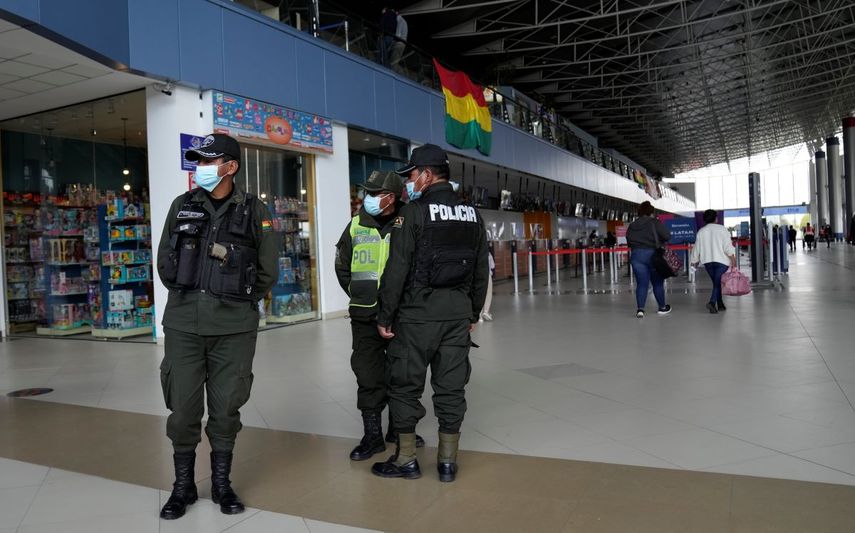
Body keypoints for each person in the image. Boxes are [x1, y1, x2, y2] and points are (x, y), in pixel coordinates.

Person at [155, 133, 278, 520]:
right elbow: (164, 261)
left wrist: (236, 301)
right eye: (198, 162)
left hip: (233, 328)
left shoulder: (256, 211)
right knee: (183, 409)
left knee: (226, 409)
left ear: (230, 167)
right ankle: (183, 487)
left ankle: (222, 484)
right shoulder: (182, 206)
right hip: (184, 325)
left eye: (208, 162)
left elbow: (267, 271)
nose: (200, 168)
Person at [371, 144, 489, 483]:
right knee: (451, 388)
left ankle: (406, 459)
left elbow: (397, 270)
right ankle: (448, 462)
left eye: (411, 175)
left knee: (405, 387)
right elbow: (481, 270)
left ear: (426, 174)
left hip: (416, 317)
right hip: (456, 317)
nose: (409, 182)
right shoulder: (472, 214)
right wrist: (472, 313)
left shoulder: (413, 213)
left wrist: (385, 317)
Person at [334, 170, 424, 461]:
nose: (369, 198)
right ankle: (372, 435)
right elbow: (342, 266)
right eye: (368, 192)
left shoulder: (409, 220)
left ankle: (398, 430)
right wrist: (358, 293)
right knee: (368, 374)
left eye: (376, 193)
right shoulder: (356, 224)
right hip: (365, 314)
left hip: (402, 315)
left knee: (403, 374)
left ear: (393, 196)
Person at [625, 201, 671, 318]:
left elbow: (629, 241)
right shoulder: (655, 222)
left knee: (641, 284)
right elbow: (667, 236)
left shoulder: (632, 225)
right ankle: (662, 307)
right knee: (657, 283)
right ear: (651, 212)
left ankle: (640, 309)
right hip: (653, 255)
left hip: (636, 256)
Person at [690, 209, 737, 314]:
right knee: (717, 283)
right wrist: (733, 258)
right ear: (716, 218)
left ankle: (720, 304)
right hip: (721, 262)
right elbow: (727, 247)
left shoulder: (701, 231)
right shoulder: (722, 229)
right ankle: (712, 302)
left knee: (716, 282)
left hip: (708, 262)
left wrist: (694, 261)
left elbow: (696, 248)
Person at [390, 9, 408, 74]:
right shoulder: (404, 21)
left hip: (399, 44)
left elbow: (397, 35)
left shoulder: (400, 21)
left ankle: (399, 75)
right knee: (395, 61)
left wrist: (392, 42)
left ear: (397, 13)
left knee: (393, 62)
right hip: (403, 44)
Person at [479, 251, 495, 322]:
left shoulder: (473, 252)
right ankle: (486, 311)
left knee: (479, 294)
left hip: (477, 276)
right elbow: (492, 266)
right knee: (488, 293)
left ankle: (479, 316)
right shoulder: (488, 253)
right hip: (487, 275)